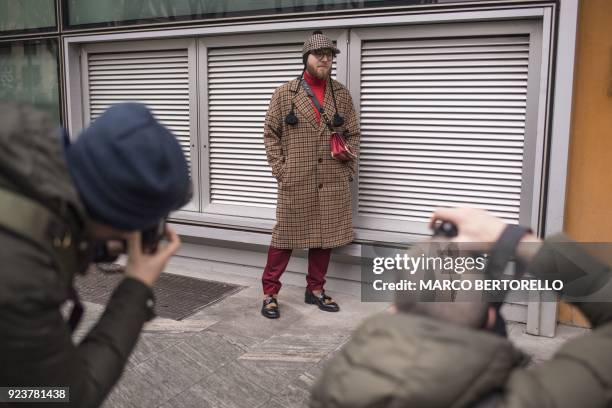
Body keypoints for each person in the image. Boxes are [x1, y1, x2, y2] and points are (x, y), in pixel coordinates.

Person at [310, 208, 612, 408]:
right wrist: (518, 239)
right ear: (491, 315)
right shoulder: (539, 399)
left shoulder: (328, 391)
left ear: (394, 309)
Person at [0, 102, 190, 407]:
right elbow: (64, 397)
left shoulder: (24, 157)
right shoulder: (22, 281)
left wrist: (97, 243)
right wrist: (136, 285)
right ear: (123, 223)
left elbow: (56, 222)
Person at [260, 30, 361, 318]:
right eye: (320, 55)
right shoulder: (285, 93)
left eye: (329, 55)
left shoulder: (341, 94)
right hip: (297, 178)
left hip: (331, 178)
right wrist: (281, 170)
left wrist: (348, 167)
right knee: (284, 239)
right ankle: (270, 293)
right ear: (306, 58)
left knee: (324, 238)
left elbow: (353, 133)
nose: (325, 59)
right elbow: (270, 134)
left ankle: (315, 289)